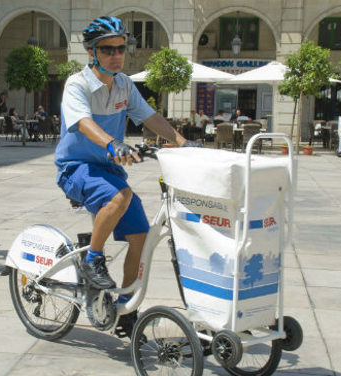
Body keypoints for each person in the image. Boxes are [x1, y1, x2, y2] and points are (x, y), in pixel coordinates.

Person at [54, 16, 200, 338]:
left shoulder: (124, 85)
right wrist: (113, 142)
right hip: (75, 167)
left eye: (121, 48)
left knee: (141, 240)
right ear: (92, 52)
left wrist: (182, 142)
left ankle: (125, 310)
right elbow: (81, 123)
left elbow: (149, 117)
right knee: (120, 197)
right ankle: (93, 259)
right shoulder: (77, 85)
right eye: (108, 49)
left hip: (107, 169)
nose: (116, 55)